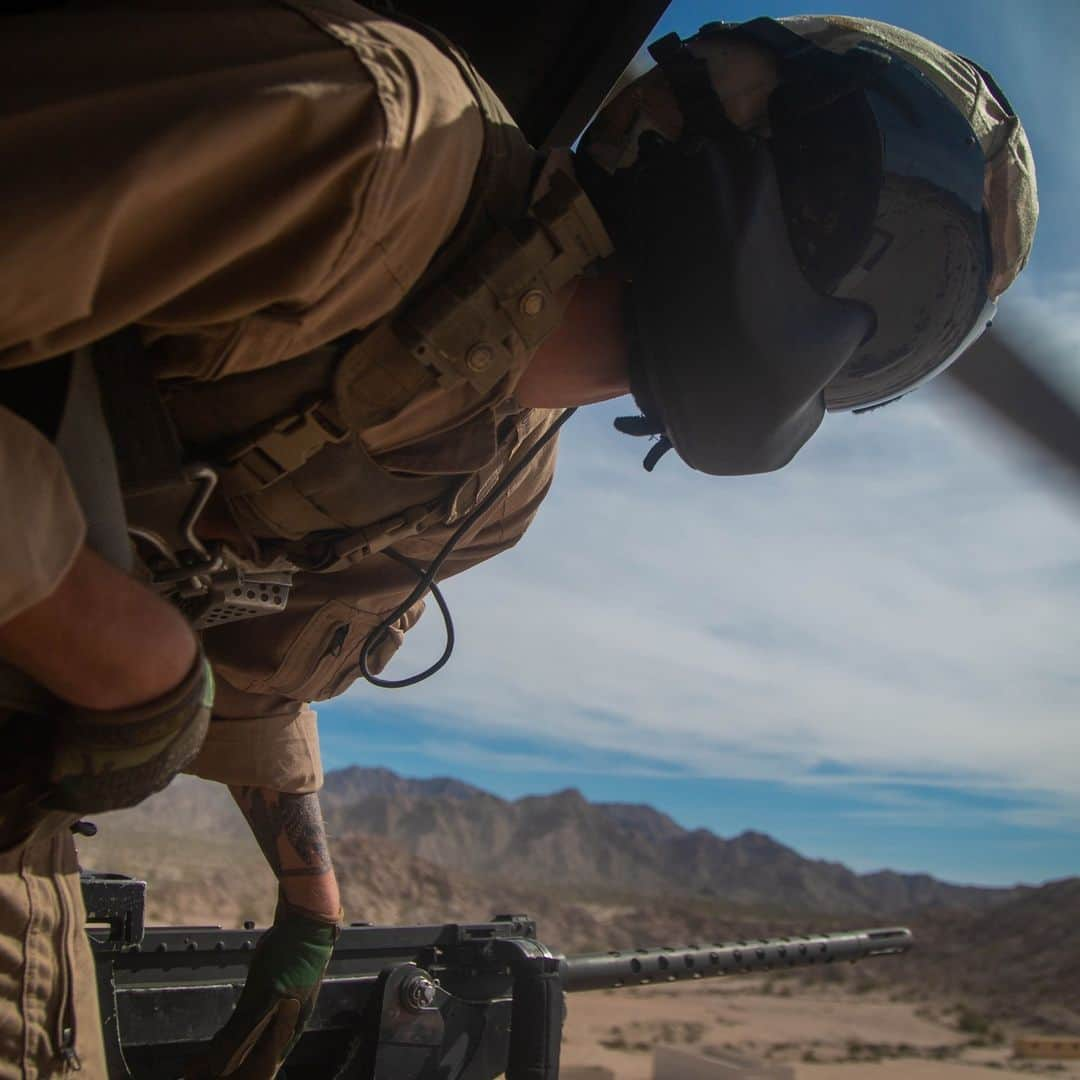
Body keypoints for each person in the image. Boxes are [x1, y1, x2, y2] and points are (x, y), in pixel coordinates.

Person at [0, 2, 1037, 1077]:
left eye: (907, 314)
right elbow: (164, 663)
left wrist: (309, 892)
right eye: (873, 243)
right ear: (735, 135)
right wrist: (117, 651)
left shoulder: (502, 482)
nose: (854, 321)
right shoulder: (377, 145)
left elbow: (259, 665)